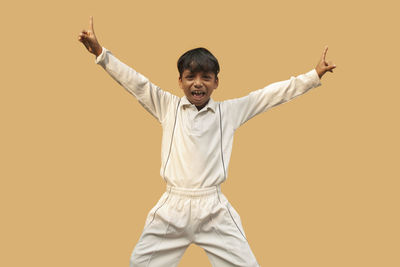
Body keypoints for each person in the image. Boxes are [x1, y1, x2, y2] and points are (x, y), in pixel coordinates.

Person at [78, 16, 336, 267]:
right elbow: (135, 82)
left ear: (216, 82)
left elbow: (269, 95)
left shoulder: (229, 112)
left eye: (206, 77)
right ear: (180, 81)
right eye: (190, 77)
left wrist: (313, 76)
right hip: (172, 208)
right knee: (140, 262)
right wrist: (100, 52)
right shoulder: (167, 106)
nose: (198, 84)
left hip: (213, 210)